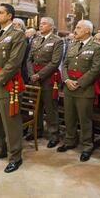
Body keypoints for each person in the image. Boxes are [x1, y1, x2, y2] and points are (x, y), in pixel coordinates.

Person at [0, 3, 27, 173]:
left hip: (9, 85)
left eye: (1, 12)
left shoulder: (17, 35)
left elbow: (14, 63)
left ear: (10, 16)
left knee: (11, 123)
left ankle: (15, 156)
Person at [57, 20, 100, 162]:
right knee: (69, 117)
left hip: (84, 89)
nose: (75, 30)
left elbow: (96, 69)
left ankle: (87, 146)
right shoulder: (72, 45)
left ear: (87, 31)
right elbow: (64, 65)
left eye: (78, 27)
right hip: (69, 87)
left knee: (85, 120)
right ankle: (70, 140)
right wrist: (66, 80)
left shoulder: (96, 47)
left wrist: (79, 82)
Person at [26, 17, 63, 148]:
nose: (40, 25)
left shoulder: (57, 41)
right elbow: (29, 59)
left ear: (51, 26)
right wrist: (31, 74)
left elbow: (55, 62)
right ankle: (37, 130)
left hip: (48, 78)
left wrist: (39, 75)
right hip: (34, 78)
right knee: (36, 106)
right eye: (40, 23)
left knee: (50, 107)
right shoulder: (35, 40)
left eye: (44, 23)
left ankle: (54, 135)